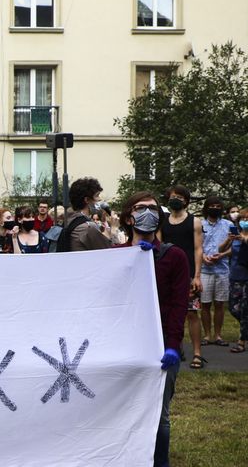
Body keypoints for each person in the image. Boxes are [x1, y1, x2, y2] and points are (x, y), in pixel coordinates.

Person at [117, 192, 188, 467]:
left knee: (159, 415)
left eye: (152, 208)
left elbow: (178, 304)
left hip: (160, 347)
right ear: (128, 217)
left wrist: (172, 344)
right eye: (140, 208)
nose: (147, 212)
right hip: (124, 345)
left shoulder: (175, 256)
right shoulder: (114, 256)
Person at [160, 185, 206, 369]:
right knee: (168, 313)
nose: (175, 199)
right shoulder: (162, 222)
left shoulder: (195, 222)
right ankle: (175, 347)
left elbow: (198, 249)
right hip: (167, 275)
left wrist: (197, 276)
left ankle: (197, 353)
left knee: (192, 314)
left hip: (188, 276)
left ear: (186, 201)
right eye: (172, 196)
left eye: (179, 196)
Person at [199, 196, 234, 346]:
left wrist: (223, 254)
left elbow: (236, 247)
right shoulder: (198, 224)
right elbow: (196, 246)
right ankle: (207, 336)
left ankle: (218, 335)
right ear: (206, 208)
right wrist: (203, 257)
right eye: (212, 205)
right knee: (205, 304)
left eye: (217, 206)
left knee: (219, 304)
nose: (215, 208)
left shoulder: (229, 224)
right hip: (204, 270)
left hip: (222, 270)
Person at [60, 177, 112, 252]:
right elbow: (107, 251)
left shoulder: (68, 220)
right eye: (97, 196)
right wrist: (113, 229)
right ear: (87, 200)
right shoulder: (88, 227)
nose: (99, 199)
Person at [229, 207, 248, 354]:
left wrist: (245, 239)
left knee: (245, 310)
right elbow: (230, 250)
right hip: (235, 276)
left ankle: (241, 342)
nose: (245, 222)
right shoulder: (237, 234)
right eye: (243, 219)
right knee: (233, 308)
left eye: (247, 219)